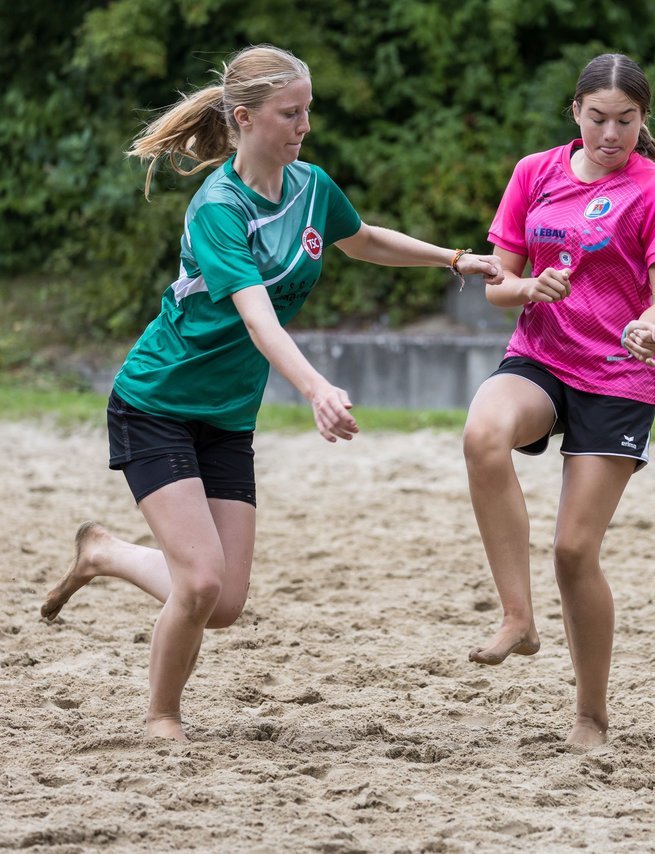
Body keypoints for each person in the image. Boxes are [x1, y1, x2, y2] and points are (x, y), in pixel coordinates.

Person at [39, 44, 502, 742]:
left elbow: (364, 239)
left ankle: (104, 554)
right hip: (156, 404)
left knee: (223, 603)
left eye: (307, 110)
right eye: (290, 114)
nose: (304, 126)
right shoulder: (219, 208)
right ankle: (162, 716)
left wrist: (454, 259)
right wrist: (315, 387)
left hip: (225, 417)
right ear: (245, 118)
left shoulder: (311, 186)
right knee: (197, 586)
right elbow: (257, 316)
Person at [462, 53, 655, 748]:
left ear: (643, 120)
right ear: (575, 113)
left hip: (617, 375)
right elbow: (499, 282)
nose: (611, 133)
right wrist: (527, 290)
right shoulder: (536, 173)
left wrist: (650, 326)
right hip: (541, 356)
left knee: (573, 551)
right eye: (598, 118)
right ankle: (517, 617)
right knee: (482, 434)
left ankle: (591, 714)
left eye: (626, 120)